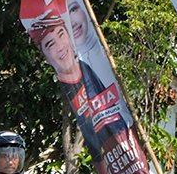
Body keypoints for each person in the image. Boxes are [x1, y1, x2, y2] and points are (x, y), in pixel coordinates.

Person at [28, 10, 128, 161]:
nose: (60, 47)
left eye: (61, 34)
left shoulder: (93, 71)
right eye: (50, 44)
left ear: (69, 36)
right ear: (45, 57)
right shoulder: (60, 94)